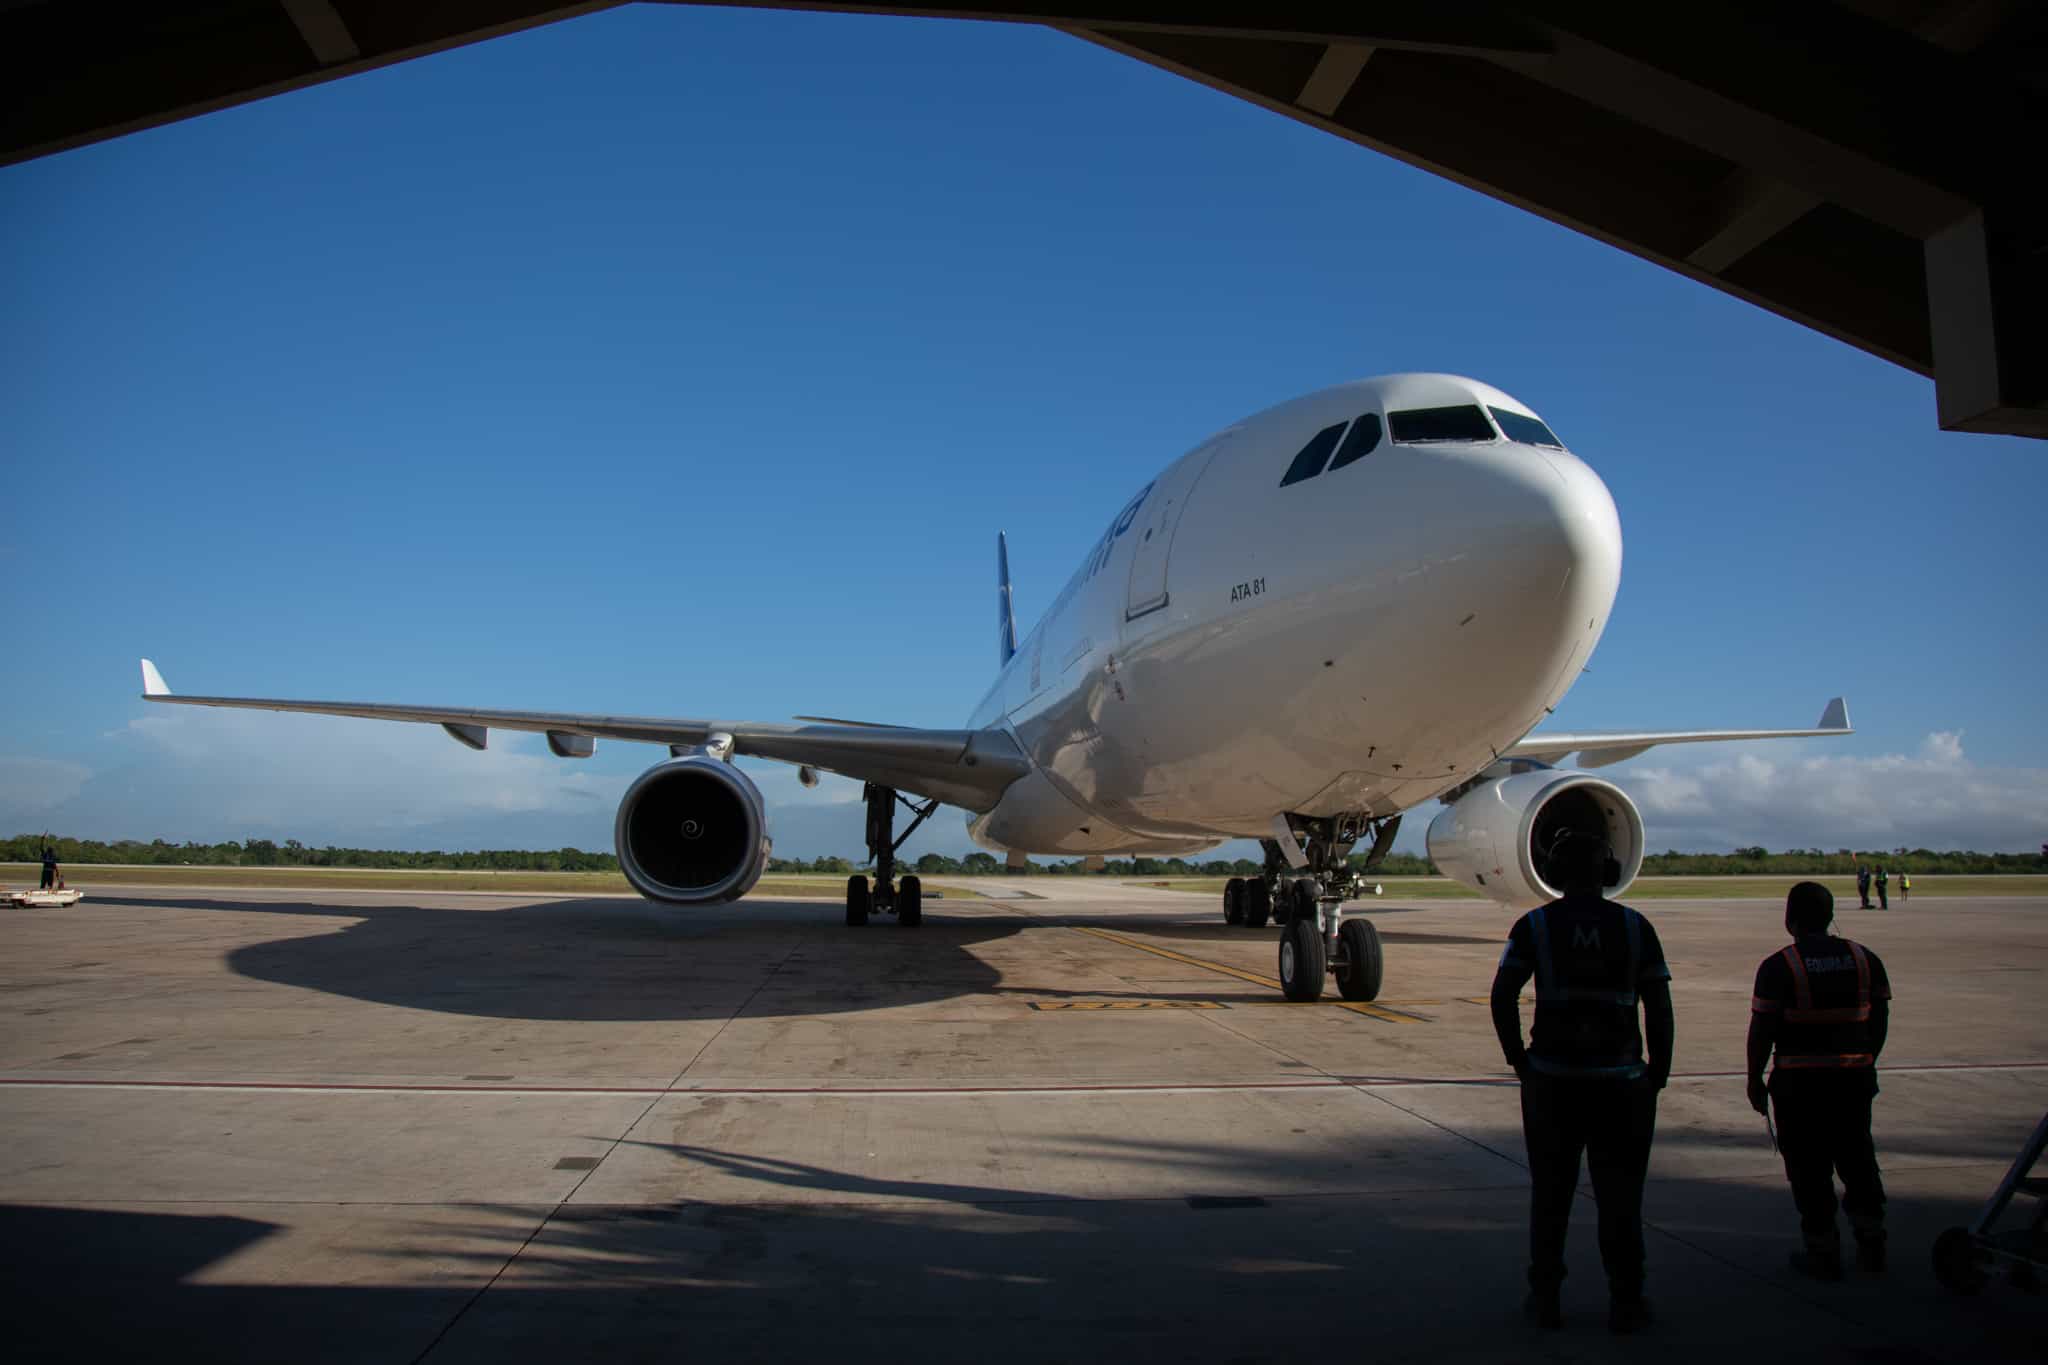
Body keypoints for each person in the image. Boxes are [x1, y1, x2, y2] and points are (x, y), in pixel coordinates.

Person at [1491, 830, 1673, 1334]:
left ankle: (1546, 1297)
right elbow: (1659, 1005)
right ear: (1607, 872)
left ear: (1555, 874)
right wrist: (1658, 1071)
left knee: (1551, 1198)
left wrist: (1518, 1061)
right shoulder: (1637, 928)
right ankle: (1627, 1301)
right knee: (1622, 1200)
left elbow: (1502, 995)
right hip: (1622, 1083)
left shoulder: (1535, 926)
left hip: (1553, 1082)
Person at [1746, 881, 1892, 1280]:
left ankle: (1823, 1251)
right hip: (1854, 1081)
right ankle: (1872, 1240)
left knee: (1809, 1171)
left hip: (1799, 1087)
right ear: (1830, 917)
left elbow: (1762, 1029)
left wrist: (1754, 1078)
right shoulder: (1865, 959)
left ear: (1790, 919)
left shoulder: (1780, 966)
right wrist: (1865, 1060)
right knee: (1858, 1159)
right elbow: (1879, 1020)